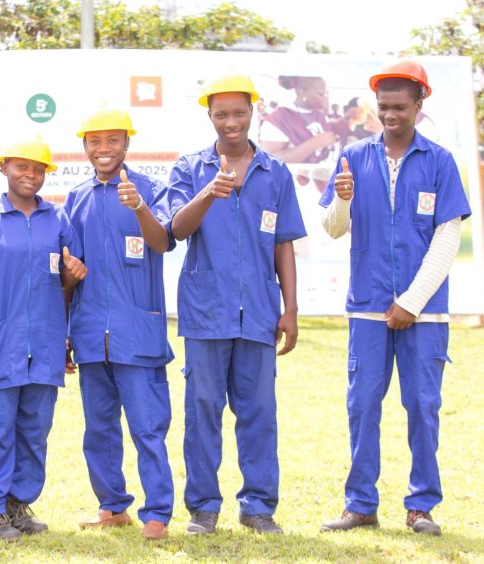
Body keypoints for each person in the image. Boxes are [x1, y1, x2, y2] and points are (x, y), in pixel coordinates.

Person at [319, 59, 470, 537]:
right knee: (362, 405)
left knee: (423, 406)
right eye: (383, 107)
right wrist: (342, 199)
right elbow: (334, 230)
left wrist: (411, 301)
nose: (390, 115)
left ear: (419, 105)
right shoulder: (354, 157)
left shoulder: (440, 161)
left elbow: (448, 240)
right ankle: (361, 504)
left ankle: (421, 505)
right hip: (366, 306)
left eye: (400, 107)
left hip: (424, 314)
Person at [168, 74, 306, 535]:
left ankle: (259, 506)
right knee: (202, 410)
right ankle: (203, 508)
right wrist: (209, 192)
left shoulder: (276, 173)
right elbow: (175, 230)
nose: (231, 122)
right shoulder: (190, 168)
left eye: (239, 113)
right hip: (207, 312)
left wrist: (290, 307)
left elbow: (283, 243)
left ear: (253, 112)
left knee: (259, 413)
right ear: (209, 115)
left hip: (261, 313)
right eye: (221, 114)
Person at [0, 136, 87, 542]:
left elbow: (65, 284)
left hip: (43, 343)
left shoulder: (58, 221)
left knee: (33, 428)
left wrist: (71, 276)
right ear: (4, 167)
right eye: (22, 167)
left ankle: (17, 503)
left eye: (39, 169)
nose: (31, 175)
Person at [64, 106, 175, 540]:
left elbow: (163, 242)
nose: (103, 149)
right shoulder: (77, 199)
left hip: (137, 336)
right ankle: (112, 507)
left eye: (113, 141)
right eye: (95, 141)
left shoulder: (150, 189)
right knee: (99, 429)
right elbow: (68, 267)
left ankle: (157, 513)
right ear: (85, 147)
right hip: (92, 335)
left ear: (127, 144)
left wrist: (140, 207)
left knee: (148, 428)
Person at [259, 75, 338, 164]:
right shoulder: (278, 118)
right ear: (303, 92)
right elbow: (270, 159)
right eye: (321, 93)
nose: (325, 97)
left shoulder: (318, 114)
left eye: (326, 93)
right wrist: (315, 142)